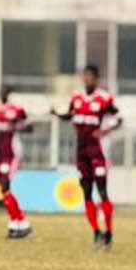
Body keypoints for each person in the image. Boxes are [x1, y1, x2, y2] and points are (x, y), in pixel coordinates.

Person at [51, 65, 121, 249]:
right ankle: (96, 232)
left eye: (91, 77)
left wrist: (105, 131)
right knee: (86, 191)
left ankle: (109, 233)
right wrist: (57, 114)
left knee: (102, 190)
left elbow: (119, 118)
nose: (87, 79)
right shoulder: (77, 97)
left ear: (96, 79)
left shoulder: (104, 98)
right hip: (81, 152)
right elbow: (70, 115)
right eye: (85, 76)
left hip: (97, 151)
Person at [0, 84, 34, 239]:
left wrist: (16, 126)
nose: (3, 93)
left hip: (11, 153)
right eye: (1, 91)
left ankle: (20, 223)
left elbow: (30, 128)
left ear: (9, 94)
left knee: (5, 186)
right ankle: (17, 224)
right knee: (4, 189)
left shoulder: (16, 110)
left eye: (5, 91)